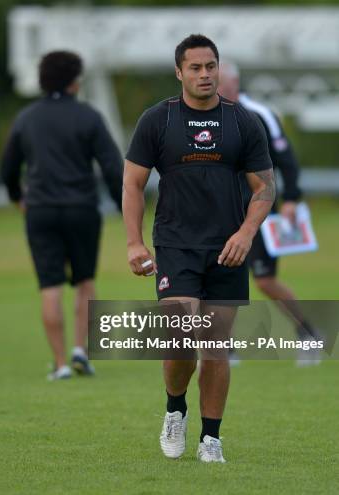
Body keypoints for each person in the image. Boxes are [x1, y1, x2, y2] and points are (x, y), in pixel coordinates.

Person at [122, 34, 275, 462]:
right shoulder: (158, 120)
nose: (205, 74)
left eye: (211, 66)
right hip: (175, 244)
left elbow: (265, 187)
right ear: (179, 72)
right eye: (195, 68)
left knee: (215, 347)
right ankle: (175, 409)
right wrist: (134, 241)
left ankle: (211, 439)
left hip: (227, 248)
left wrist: (246, 233)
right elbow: (132, 183)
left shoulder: (242, 122)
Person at [0, 51, 123, 381]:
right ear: (75, 81)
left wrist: (17, 197)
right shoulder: (89, 116)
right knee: (85, 280)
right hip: (82, 208)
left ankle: (60, 364)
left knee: (50, 285)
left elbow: (8, 166)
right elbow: (112, 166)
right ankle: (81, 350)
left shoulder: (27, 117)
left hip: (40, 209)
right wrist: (124, 206)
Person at [218, 61, 321, 366]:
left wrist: (291, 198)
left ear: (233, 85)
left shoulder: (259, 115)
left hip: (259, 211)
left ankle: (308, 333)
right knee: (223, 275)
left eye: (218, 81)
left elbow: (286, 159)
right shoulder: (208, 117)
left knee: (264, 280)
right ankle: (226, 348)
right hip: (223, 211)